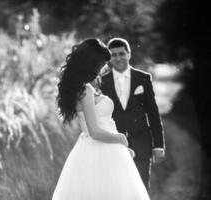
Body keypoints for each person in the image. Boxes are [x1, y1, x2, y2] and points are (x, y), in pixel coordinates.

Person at [52, 38, 150, 200]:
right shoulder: (86, 91)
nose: (105, 67)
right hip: (99, 148)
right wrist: (120, 138)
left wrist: (122, 149)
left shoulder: (86, 88)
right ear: (91, 63)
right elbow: (95, 132)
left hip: (105, 147)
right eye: (101, 63)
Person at [100, 37, 165, 190]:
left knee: (141, 188)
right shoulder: (102, 82)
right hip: (115, 144)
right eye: (113, 55)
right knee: (118, 189)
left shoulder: (143, 79)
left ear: (129, 54)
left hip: (142, 143)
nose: (118, 58)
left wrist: (159, 145)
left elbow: (153, 112)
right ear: (109, 58)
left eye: (121, 53)